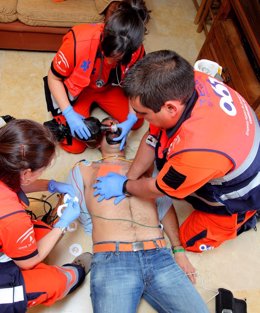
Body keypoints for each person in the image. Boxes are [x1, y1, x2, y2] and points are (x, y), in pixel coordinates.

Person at [93, 50, 260, 253]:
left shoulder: (196, 152)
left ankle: (246, 219)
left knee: (189, 241)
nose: (137, 117)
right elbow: (153, 137)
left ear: (170, 108)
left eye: (142, 114)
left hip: (243, 193)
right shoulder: (189, 80)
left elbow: (157, 188)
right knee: (163, 154)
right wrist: (130, 176)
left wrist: (126, 186)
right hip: (232, 148)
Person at [67, 117, 209, 313]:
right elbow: (72, 204)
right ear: (98, 139)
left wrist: (178, 250)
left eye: (116, 124)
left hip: (159, 256)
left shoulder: (145, 165)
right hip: (112, 260)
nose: (113, 127)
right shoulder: (84, 169)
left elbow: (164, 204)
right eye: (107, 126)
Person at [0, 119, 92, 312]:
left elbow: (13, 180)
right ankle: (76, 273)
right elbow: (27, 262)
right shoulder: (12, 217)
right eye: (42, 170)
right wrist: (63, 224)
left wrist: (50, 184)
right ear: (26, 173)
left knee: (42, 234)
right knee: (53, 283)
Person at [44, 0, 151, 153]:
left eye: (117, 59)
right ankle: (68, 116)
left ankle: (113, 111)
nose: (109, 62)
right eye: (107, 54)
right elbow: (53, 78)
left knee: (137, 121)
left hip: (108, 88)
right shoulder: (78, 41)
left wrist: (131, 118)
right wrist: (69, 114)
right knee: (75, 146)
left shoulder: (137, 51)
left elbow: (136, 86)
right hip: (80, 91)